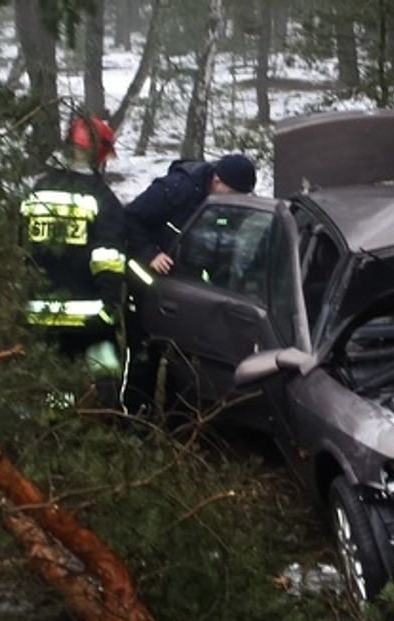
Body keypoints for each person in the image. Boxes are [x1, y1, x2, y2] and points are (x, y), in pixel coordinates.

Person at [19, 114, 129, 410]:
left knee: (56, 374)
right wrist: (110, 306)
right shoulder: (101, 197)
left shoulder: (37, 190)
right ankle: (111, 419)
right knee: (104, 358)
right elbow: (107, 257)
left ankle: (57, 426)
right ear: (100, 154)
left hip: (41, 309)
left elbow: (22, 247)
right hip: (89, 310)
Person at [124, 153, 257, 281]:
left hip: (190, 272)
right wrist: (150, 254)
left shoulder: (227, 204)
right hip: (149, 268)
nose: (237, 199)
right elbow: (130, 216)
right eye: (234, 193)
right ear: (217, 182)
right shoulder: (176, 188)